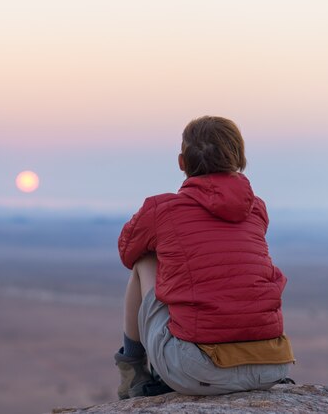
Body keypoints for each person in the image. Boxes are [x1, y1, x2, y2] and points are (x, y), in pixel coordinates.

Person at [114, 116, 295, 398]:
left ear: (181, 163)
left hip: (199, 372)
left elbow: (128, 253)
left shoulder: (161, 209)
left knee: (145, 261)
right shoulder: (256, 208)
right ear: (239, 158)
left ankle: (133, 372)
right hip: (272, 366)